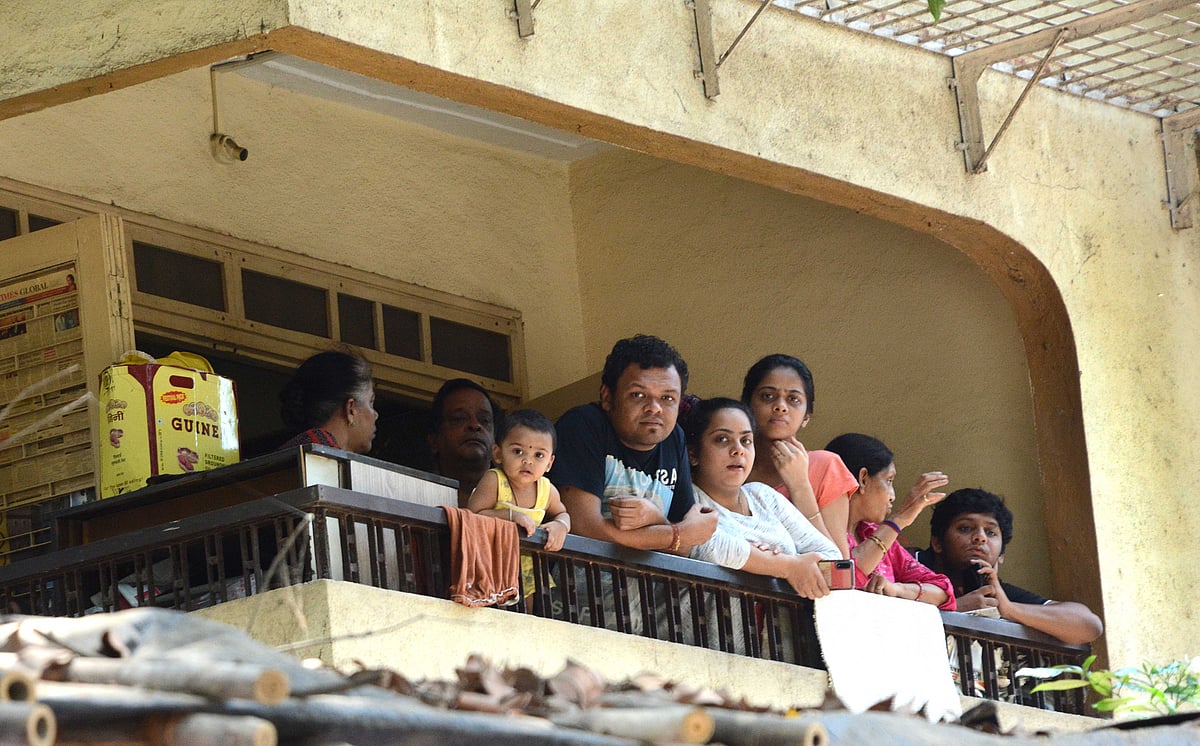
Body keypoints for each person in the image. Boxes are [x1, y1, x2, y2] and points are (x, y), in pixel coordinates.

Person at [552, 335, 717, 554]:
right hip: (575, 586)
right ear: (608, 397)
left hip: (648, 588)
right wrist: (676, 535)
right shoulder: (583, 424)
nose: (655, 408)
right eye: (638, 395)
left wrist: (668, 528)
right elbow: (584, 529)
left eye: (667, 398)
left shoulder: (674, 438)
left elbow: (684, 549)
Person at [684, 397, 840, 598]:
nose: (738, 450)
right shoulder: (688, 498)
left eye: (746, 440)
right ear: (693, 453)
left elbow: (833, 560)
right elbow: (710, 546)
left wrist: (771, 560)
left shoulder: (763, 496)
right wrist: (788, 566)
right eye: (722, 439)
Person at [914, 488, 1103, 645]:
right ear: (937, 542)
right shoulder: (908, 562)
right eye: (965, 528)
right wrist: (956, 609)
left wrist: (1009, 609)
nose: (980, 537)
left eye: (991, 532)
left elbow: (1088, 626)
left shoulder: (995, 591)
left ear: (1001, 556)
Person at [742, 354, 857, 558]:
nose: (780, 406)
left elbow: (839, 569)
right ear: (747, 405)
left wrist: (800, 485)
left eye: (793, 399)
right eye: (767, 396)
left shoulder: (825, 467)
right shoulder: (730, 461)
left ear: (806, 417)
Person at [824, 432, 955, 610]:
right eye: (889, 480)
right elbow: (846, 576)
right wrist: (899, 519)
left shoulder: (873, 533)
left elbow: (943, 591)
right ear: (863, 479)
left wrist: (897, 589)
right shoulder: (820, 529)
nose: (892, 496)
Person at [467, 409, 571, 599]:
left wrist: (560, 526)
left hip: (526, 566)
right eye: (518, 451)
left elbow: (563, 514)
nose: (527, 461)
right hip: (490, 562)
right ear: (497, 454)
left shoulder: (547, 491)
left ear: (550, 463)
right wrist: (510, 516)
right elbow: (472, 516)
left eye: (539, 455)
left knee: (525, 614)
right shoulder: (495, 480)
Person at [278, 351, 378, 454]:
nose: (376, 415)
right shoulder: (320, 457)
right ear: (350, 409)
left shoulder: (291, 454)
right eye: (370, 402)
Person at [428, 379, 500, 507]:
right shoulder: (418, 500)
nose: (475, 425)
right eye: (459, 418)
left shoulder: (522, 502)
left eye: (484, 420)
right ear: (434, 441)